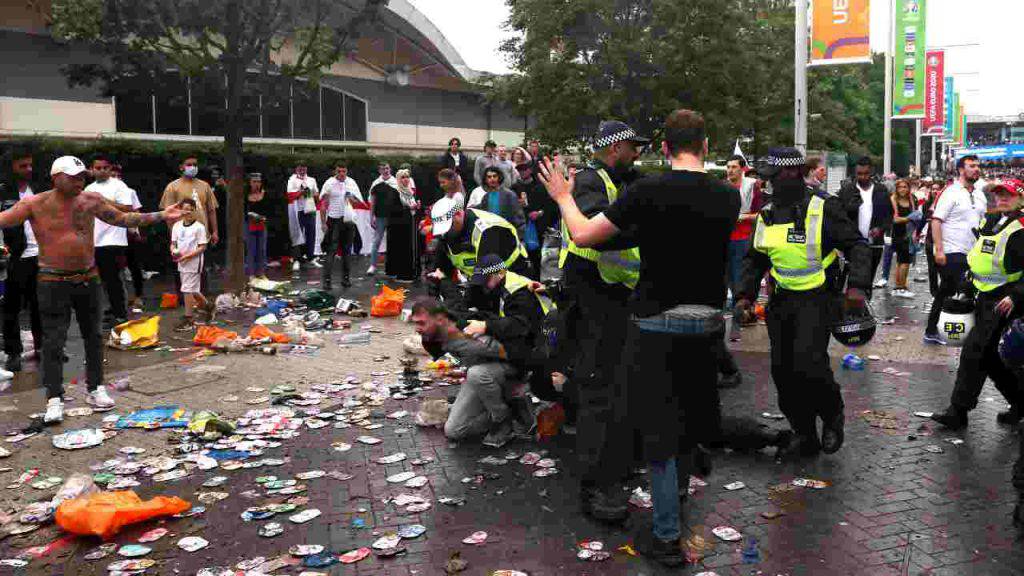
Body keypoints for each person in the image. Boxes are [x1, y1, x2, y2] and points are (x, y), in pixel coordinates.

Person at [539, 109, 735, 567]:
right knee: (689, 422)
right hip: (707, 323)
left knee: (662, 433)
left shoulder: (646, 192)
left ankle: (666, 537)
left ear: (665, 149)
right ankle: (681, 498)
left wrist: (564, 196)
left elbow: (585, 234)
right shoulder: (728, 196)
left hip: (656, 323)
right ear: (705, 147)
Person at [0, 156, 184, 423]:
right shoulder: (35, 203)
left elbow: (123, 218)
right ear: (55, 178)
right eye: (73, 176)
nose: (80, 181)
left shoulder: (90, 200)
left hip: (88, 278)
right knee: (53, 341)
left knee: (94, 335)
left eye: (81, 176)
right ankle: (54, 398)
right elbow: (3, 219)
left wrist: (162, 215)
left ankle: (96, 389)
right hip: (52, 281)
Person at [738, 147, 870, 459]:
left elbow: (858, 246)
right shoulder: (768, 213)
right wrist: (744, 295)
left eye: (771, 177)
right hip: (781, 301)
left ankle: (832, 413)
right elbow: (755, 258)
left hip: (818, 298)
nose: (766, 184)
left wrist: (858, 288)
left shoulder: (822, 206)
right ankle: (804, 434)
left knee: (809, 363)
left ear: (792, 173)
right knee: (783, 372)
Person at [549, 120, 644, 527]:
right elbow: (593, 229)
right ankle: (596, 484)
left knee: (622, 386)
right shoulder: (590, 181)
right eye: (632, 147)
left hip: (622, 298)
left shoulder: (630, 180)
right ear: (614, 148)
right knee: (599, 390)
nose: (638, 153)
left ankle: (619, 464)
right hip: (592, 299)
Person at [930, 179, 1024, 430]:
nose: (1002, 198)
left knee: (974, 350)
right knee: (992, 358)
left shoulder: (1021, 227)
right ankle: (1020, 403)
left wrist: (1016, 295)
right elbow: (978, 258)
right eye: (999, 194)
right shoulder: (991, 221)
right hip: (984, 297)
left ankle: (958, 411)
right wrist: (966, 286)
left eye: (1008, 195)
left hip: (1005, 301)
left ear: (1020, 198)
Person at [924, 155, 987, 345]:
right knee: (951, 290)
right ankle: (933, 330)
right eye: (971, 166)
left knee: (954, 291)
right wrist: (939, 250)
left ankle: (954, 329)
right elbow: (936, 221)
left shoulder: (980, 195)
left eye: (978, 166)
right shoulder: (951, 192)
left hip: (973, 253)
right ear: (961, 170)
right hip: (952, 251)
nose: (976, 169)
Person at [0, 146, 42, 374]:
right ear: (11, 167)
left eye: (30, 165)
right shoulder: (2, 191)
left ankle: (42, 349)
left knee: (41, 306)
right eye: (22, 165)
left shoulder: (39, 190)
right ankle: (13, 354)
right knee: (11, 308)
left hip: (41, 256)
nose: (28, 169)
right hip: (14, 258)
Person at [85, 155, 134, 327]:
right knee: (100, 280)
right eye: (97, 168)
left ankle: (120, 314)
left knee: (114, 279)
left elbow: (128, 208)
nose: (101, 171)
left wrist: (104, 201)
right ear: (92, 169)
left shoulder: (119, 186)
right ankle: (110, 310)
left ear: (110, 169)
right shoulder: (89, 188)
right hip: (95, 240)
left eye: (105, 168)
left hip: (113, 239)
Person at [839, 156, 892, 295]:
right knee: (852, 279)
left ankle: (865, 308)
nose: (862, 177)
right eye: (859, 174)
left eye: (866, 174)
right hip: (852, 243)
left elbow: (889, 215)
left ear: (872, 172)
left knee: (868, 279)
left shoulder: (881, 191)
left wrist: (880, 229)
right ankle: (850, 310)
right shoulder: (847, 190)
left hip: (874, 244)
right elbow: (840, 215)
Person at [170, 198, 212, 331]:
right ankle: (208, 306)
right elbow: (173, 244)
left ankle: (189, 319)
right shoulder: (176, 226)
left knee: (187, 289)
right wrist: (173, 251)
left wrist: (187, 256)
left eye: (190, 209)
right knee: (192, 289)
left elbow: (202, 247)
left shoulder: (199, 227)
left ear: (194, 211)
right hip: (181, 261)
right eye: (185, 208)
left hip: (194, 262)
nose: (187, 211)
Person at [319, 163, 363, 289]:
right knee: (331, 250)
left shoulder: (351, 183)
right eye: (339, 171)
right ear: (335, 171)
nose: (342, 174)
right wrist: (323, 223)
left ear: (347, 171)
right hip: (334, 219)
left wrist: (351, 197)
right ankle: (327, 281)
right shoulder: (329, 183)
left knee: (347, 251)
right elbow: (323, 204)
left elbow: (358, 201)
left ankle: (346, 279)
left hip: (348, 221)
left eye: (344, 171)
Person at [725, 155, 760, 306]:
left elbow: (761, 214)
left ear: (742, 169)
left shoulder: (752, 187)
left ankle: (740, 308)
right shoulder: (722, 186)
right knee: (727, 276)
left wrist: (743, 217)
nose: (730, 170)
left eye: (734, 167)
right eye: (728, 167)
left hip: (744, 238)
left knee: (741, 276)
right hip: (725, 238)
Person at [112, 164, 145, 310]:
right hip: (111, 236)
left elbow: (136, 212)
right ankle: (120, 300)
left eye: (118, 176)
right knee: (114, 269)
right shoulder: (100, 193)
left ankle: (138, 297)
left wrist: (135, 230)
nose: (116, 179)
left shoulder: (129, 191)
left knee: (134, 265)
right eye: (113, 176)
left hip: (128, 233)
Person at [467, 167, 526, 236]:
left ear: (499, 177)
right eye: (489, 177)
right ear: (486, 180)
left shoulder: (509, 195)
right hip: (491, 235)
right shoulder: (486, 198)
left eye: (494, 176)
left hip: (508, 234)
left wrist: (518, 235)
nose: (492, 179)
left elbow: (519, 218)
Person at [285, 163, 321, 271]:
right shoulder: (292, 180)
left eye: (304, 169)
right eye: (300, 169)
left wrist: (313, 195)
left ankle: (310, 257)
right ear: (296, 169)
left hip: (310, 210)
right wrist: (300, 192)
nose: (302, 171)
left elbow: (317, 195)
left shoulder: (311, 180)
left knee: (311, 234)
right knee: (297, 234)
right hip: (297, 210)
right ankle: (297, 259)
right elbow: (289, 195)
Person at [386, 169, 420, 282]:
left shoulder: (409, 191)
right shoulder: (395, 191)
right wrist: (408, 208)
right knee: (401, 250)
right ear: (398, 179)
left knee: (407, 249)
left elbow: (412, 206)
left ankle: (409, 272)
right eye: (403, 177)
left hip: (408, 224)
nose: (406, 179)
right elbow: (392, 208)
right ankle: (402, 275)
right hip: (398, 226)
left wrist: (417, 206)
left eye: (407, 177)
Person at [889, 179, 917, 298]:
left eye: (905, 187)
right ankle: (900, 287)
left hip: (909, 234)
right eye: (900, 187)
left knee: (902, 261)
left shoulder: (911, 199)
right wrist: (910, 218)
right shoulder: (893, 199)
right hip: (898, 234)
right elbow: (895, 219)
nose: (902, 189)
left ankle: (899, 286)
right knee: (904, 261)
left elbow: (915, 214)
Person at [367, 163, 397, 275]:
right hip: (380, 217)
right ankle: (372, 266)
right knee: (376, 241)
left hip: (393, 217)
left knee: (393, 242)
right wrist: (371, 217)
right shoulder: (376, 183)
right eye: (383, 169)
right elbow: (372, 202)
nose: (386, 170)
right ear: (379, 170)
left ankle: (393, 266)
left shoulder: (395, 182)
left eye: (387, 168)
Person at [245, 173, 269, 280]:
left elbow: (271, 209)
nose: (256, 184)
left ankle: (261, 272)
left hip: (262, 224)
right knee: (251, 250)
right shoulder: (245, 195)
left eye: (258, 182)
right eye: (254, 182)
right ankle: (251, 273)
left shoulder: (265, 194)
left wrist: (264, 217)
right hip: (249, 225)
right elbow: (241, 210)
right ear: (250, 183)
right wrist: (249, 215)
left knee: (262, 250)